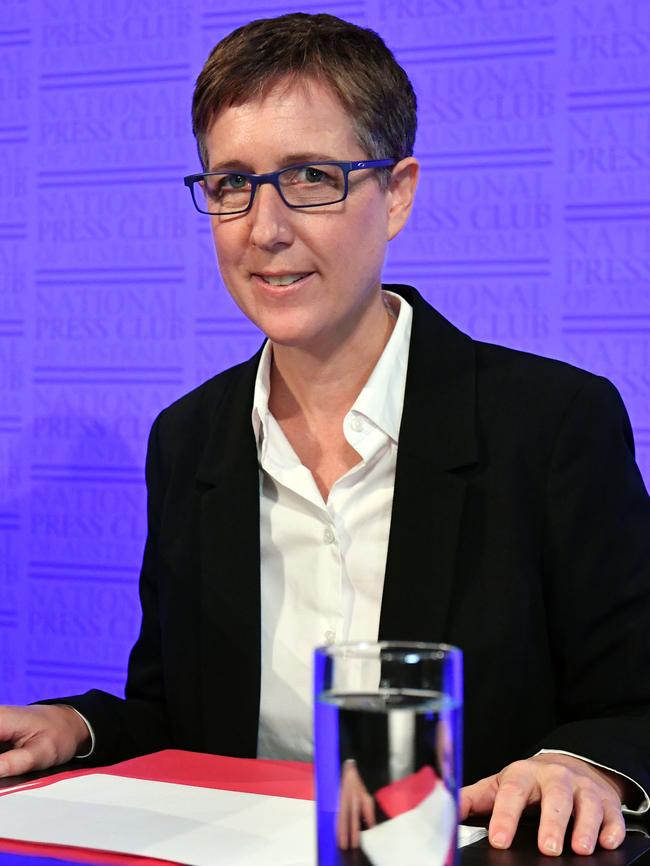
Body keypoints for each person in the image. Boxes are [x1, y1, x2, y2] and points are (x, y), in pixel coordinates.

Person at [1, 12, 649, 859]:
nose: (264, 227)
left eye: (311, 176)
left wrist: (583, 764)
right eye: (233, 182)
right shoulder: (190, 439)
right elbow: (178, 717)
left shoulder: (553, 422)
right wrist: (75, 726)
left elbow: (637, 699)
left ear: (399, 193)